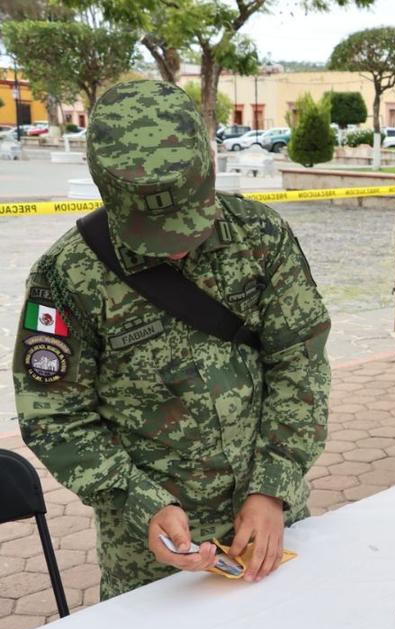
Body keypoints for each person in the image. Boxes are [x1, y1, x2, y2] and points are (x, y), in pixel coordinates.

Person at [12, 80, 331, 599]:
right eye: (154, 231)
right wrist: (140, 500)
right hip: (152, 558)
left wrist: (273, 485)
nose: (177, 250)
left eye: (188, 223)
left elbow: (301, 362)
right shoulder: (67, 277)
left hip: (273, 524)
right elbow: (54, 416)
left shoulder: (260, 238)